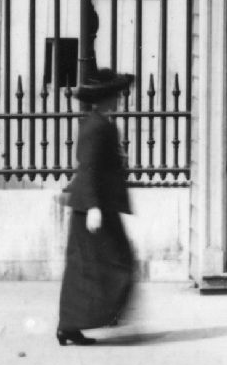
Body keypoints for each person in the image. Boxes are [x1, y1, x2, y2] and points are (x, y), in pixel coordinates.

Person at [55, 68, 139, 346]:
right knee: (115, 262)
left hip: (98, 206)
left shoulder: (99, 122)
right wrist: (92, 207)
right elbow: (88, 168)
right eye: (114, 95)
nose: (118, 99)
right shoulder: (97, 126)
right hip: (94, 208)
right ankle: (74, 324)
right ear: (104, 98)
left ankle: (71, 326)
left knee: (89, 267)